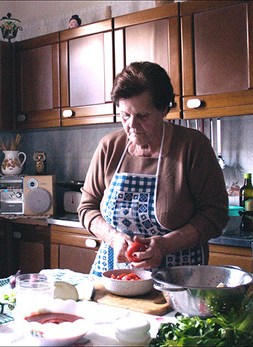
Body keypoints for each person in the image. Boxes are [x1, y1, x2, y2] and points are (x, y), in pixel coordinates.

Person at [78, 61, 229, 276]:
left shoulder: (192, 147)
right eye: (124, 115)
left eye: (142, 115)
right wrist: (113, 238)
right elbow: (87, 208)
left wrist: (165, 245)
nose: (131, 124)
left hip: (178, 280)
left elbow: (215, 214)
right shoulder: (110, 147)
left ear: (164, 109)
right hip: (115, 276)